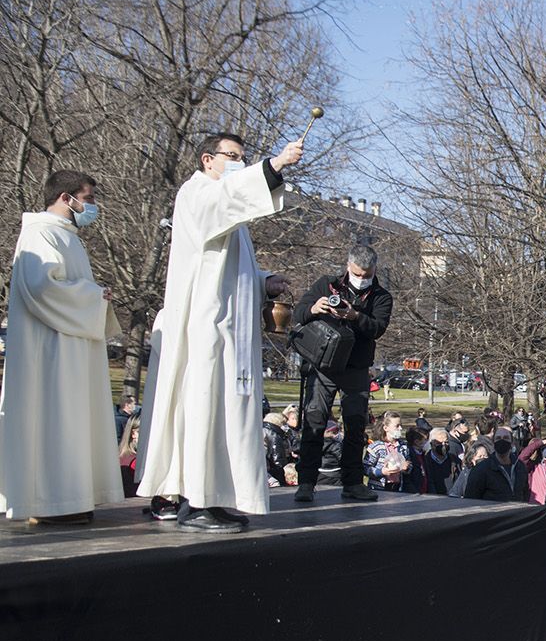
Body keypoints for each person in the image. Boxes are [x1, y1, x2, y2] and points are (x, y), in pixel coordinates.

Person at [138, 132, 298, 533]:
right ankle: (197, 501)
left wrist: (264, 281)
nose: (239, 164)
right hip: (209, 330)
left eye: (244, 158)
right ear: (208, 159)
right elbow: (225, 202)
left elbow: (225, 269)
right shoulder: (196, 195)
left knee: (230, 416)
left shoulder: (229, 214)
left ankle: (220, 496)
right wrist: (273, 166)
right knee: (207, 411)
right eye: (233, 157)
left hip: (233, 333)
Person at [0, 170, 123, 524]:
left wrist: (94, 297)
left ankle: (71, 497)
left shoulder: (67, 237)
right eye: (88, 198)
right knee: (54, 419)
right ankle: (50, 502)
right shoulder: (40, 234)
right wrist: (93, 296)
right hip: (49, 351)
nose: (93, 206)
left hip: (71, 345)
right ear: (66, 198)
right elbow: (42, 288)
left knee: (73, 421)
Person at [291, 246, 393, 503]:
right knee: (314, 423)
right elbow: (299, 314)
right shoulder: (327, 284)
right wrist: (315, 308)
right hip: (323, 365)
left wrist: (355, 315)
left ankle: (353, 483)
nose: (362, 277)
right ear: (348, 266)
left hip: (356, 369)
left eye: (367, 273)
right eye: (358, 273)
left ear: (374, 270)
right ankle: (306, 483)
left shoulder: (381, 296)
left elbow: (377, 328)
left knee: (356, 426)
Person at [463, 430, 530, 502]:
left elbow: (525, 493)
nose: (502, 441)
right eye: (498, 438)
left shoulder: (520, 467)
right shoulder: (481, 469)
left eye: (506, 438)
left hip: (518, 512)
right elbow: (470, 499)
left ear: (512, 443)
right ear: (493, 442)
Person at [422, 428, 461, 495]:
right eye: (439, 443)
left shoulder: (455, 461)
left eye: (446, 442)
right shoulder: (425, 462)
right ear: (431, 444)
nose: (444, 445)